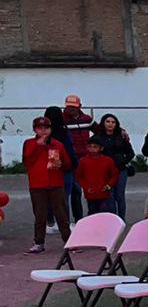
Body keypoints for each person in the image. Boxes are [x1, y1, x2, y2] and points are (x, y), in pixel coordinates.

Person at [23, 116, 72, 253]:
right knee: (40, 215)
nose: (43, 131)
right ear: (35, 130)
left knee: (62, 215)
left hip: (56, 183)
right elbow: (27, 162)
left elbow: (68, 164)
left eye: (46, 128)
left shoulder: (57, 144)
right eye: (40, 128)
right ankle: (39, 242)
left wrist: (61, 164)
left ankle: (68, 241)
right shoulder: (29, 143)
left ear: (51, 129)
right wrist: (38, 146)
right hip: (37, 185)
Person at [90, 113, 135, 217]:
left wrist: (123, 161)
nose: (110, 124)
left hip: (120, 170)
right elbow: (92, 151)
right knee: (109, 197)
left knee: (120, 196)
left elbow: (130, 153)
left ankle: (122, 218)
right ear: (103, 123)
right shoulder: (97, 137)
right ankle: (113, 219)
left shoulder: (121, 136)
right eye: (108, 121)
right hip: (105, 172)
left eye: (113, 122)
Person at [60, 94, 94, 220]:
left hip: (85, 159)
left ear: (80, 106)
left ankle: (80, 218)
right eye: (69, 106)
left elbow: (99, 130)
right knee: (72, 190)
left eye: (74, 106)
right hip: (70, 159)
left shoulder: (87, 119)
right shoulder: (62, 120)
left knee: (82, 189)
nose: (71, 109)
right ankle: (70, 219)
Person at [74, 135, 120, 215]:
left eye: (95, 147)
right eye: (90, 147)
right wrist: (86, 187)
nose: (92, 149)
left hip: (104, 193)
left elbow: (115, 175)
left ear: (101, 148)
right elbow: (79, 176)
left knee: (104, 212)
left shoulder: (108, 160)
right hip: (90, 194)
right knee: (92, 213)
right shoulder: (83, 161)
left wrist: (108, 186)